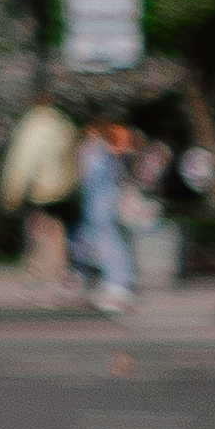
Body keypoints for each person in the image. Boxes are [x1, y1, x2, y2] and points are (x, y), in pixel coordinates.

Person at [0, 95, 81, 293]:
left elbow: (23, 161)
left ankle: (37, 271)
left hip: (39, 187)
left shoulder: (32, 126)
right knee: (56, 230)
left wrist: (13, 193)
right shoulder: (63, 124)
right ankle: (60, 272)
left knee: (37, 229)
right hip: (62, 187)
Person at [73, 116, 138, 316]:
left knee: (108, 243)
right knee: (101, 242)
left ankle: (118, 286)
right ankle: (113, 283)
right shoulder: (104, 150)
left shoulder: (95, 149)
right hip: (101, 202)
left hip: (100, 203)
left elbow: (89, 177)